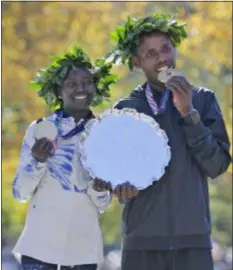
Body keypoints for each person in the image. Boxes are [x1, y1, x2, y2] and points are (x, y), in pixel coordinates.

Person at [108, 13, 232, 270]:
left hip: (193, 243)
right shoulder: (126, 108)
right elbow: (113, 173)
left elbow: (217, 165)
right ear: (137, 61)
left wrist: (189, 114)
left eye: (166, 49)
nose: (162, 58)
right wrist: (118, 185)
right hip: (141, 243)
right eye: (151, 54)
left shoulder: (202, 100)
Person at [12, 44, 116, 270]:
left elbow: (103, 204)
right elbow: (20, 193)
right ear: (59, 90)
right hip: (40, 245)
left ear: (95, 87)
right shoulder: (40, 129)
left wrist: (99, 188)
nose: (81, 88)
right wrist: (37, 161)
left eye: (87, 82)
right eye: (71, 84)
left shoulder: (103, 134)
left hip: (83, 247)